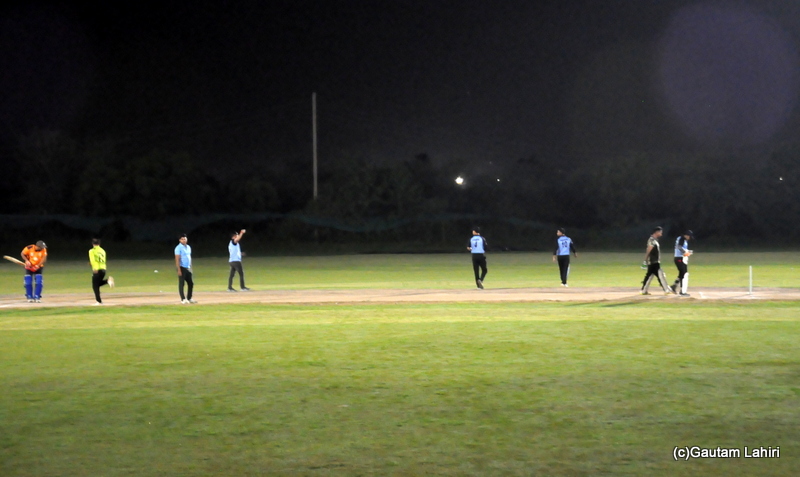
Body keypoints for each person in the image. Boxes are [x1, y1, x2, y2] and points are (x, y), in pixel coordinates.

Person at [641, 226, 673, 295]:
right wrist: (645, 259)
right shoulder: (652, 240)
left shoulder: (654, 240)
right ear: (657, 232)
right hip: (653, 261)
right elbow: (648, 250)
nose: (661, 234)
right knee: (660, 274)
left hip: (654, 261)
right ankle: (666, 289)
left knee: (650, 276)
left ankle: (643, 290)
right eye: (660, 232)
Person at [89, 238, 115, 305]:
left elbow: (93, 260)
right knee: (97, 284)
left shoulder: (91, 251)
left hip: (97, 269)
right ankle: (107, 281)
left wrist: (95, 268)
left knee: (95, 286)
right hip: (103, 269)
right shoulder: (103, 251)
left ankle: (99, 301)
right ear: (99, 244)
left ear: (92, 244)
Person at [671, 230, 694, 297]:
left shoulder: (681, 238)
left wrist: (688, 252)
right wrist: (685, 252)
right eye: (689, 236)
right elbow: (679, 247)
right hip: (679, 259)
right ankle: (682, 291)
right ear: (686, 235)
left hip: (679, 258)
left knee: (682, 273)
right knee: (684, 273)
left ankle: (674, 286)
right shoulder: (682, 238)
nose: (689, 238)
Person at [175, 234, 197, 304]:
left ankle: (189, 298)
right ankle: (183, 299)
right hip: (182, 267)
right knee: (182, 283)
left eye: (185, 238)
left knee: (191, 283)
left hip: (188, 267)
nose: (184, 240)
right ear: (179, 240)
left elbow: (189, 258)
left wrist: (191, 267)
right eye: (182, 239)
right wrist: (178, 269)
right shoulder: (178, 248)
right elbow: (177, 259)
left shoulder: (188, 247)